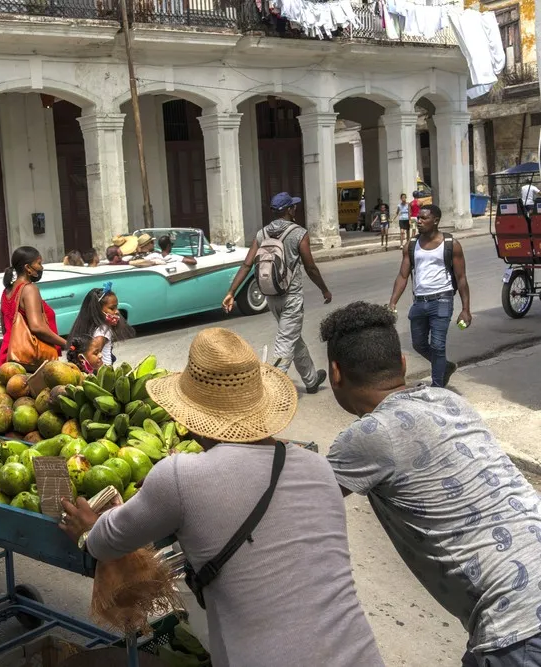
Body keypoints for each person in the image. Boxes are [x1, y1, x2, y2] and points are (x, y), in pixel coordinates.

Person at [58, 328, 384, 667]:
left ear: (191, 416)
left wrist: (88, 528)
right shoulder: (318, 467)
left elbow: (105, 543)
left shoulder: (180, 475)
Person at [321, 301, 541, 666]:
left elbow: (298, 498)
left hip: (515, 628)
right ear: (404, 364)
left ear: (335, 373)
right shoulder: (450, 400)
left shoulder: (368, 436)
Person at [222, 192, 332, 394]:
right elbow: (311, 268)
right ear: (289, 210)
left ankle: (311, 380)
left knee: (292, 338)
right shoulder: (299, 233)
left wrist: (231, 291)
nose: (295, 209)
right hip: (291, 297)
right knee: (285, 341)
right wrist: (324, 290)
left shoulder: (261, 234)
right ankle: (272, 391)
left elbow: (247, 265)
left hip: (271, 296)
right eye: (294, 207)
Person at [387, 204, 471, 388]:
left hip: (442, 299)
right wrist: (393, 301)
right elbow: (403, 275)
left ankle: (437, 386)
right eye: (418, 218)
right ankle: (445, 367)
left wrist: (466, 309)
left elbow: (461, 278)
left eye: (424, 218)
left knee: (438, 346)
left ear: (436, 221)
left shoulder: (451, 245)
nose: (419, 221)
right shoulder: (411, 245)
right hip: (419, 302)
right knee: (418, 344)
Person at [0, 246, 65, 369]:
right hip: (27, 361)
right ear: (28, 268)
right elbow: (37, 327)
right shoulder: (29, 289)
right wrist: (66, 343)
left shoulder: (6, 292)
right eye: (39, 263)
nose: (41, 267)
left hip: (8, 357)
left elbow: (4, 328)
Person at [67, 283, 135, 369]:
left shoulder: (94, 327)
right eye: (112, 308)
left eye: (116, 307)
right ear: (97, 310)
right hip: (103, 373)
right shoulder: (103, 331)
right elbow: (93, 355)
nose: (117, 311)